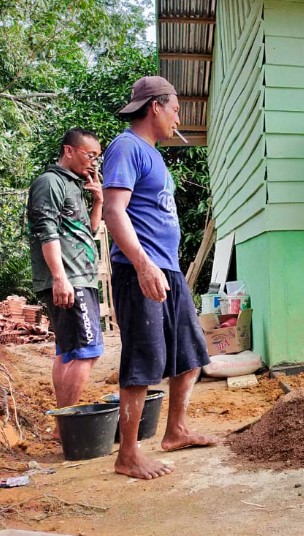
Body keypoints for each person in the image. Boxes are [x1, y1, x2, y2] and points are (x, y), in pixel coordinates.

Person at [102, 75, 217, 479]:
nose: (178, 118)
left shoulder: (153, 155)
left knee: (190, 353)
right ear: (155, 106)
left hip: (167, 269)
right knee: (143, 360)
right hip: (141, 271)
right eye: (176, 109)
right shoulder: (126, 147)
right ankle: (128, 455)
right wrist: (143, 264)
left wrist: (160, 265)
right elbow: (114, 212)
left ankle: (176, 430)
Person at [28, 128, 105, 438]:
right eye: (90, 155)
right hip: (69, 279)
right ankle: (69, 427)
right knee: (88, 351)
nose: (94, 163)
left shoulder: (75, 186)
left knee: (68, 352)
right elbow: (46, 232)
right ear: (69, 151)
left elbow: (87, 230)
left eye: (97, 157)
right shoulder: (50, 183)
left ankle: (63, 423)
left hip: (78, 277)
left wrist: (97, 200)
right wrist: (60, 278)